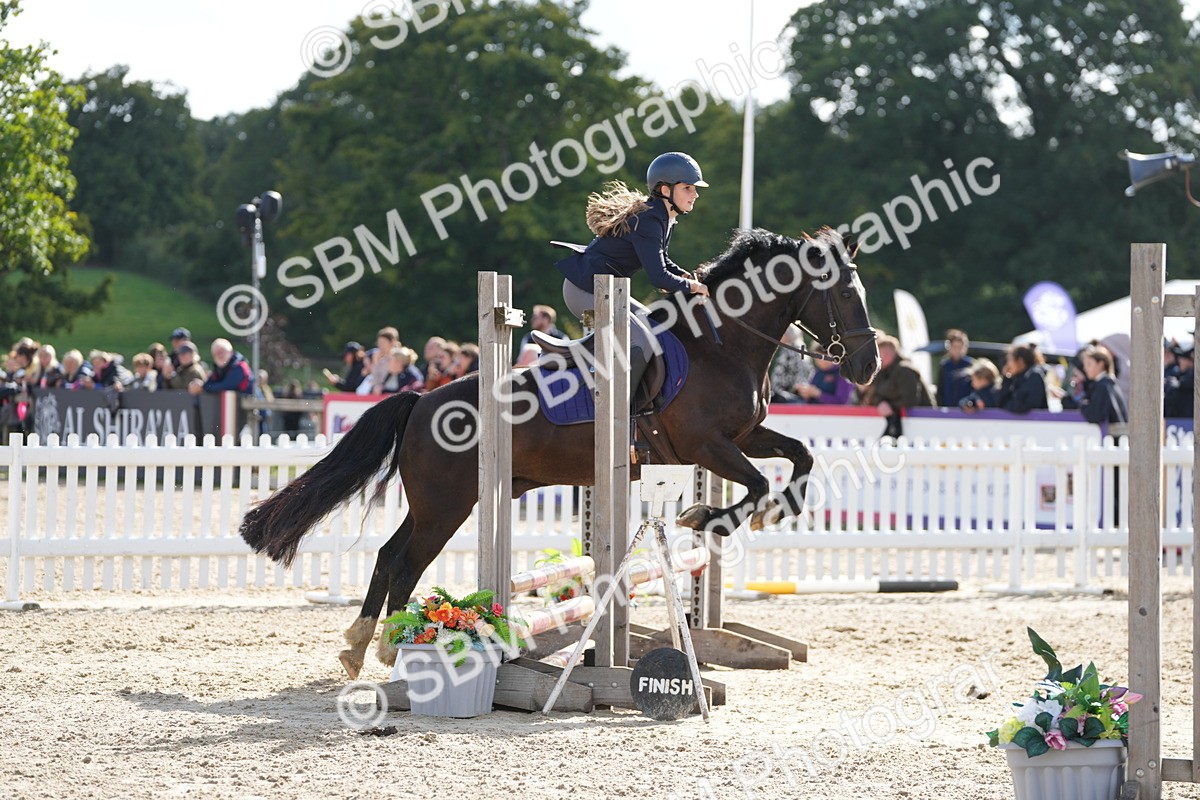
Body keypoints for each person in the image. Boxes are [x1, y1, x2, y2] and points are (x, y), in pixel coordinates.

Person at [551, 152, 711, 400]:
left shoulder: (660, 216)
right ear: (666, 190)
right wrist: (693, 286)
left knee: (655, 327)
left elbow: (662, 261)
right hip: (584, 290)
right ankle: (615, 405)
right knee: (642, 342)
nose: (695, 194)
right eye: (688, 187)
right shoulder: (650, 220)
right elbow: (659, 278)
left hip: (605, 290)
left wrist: (682, 274)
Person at [862, 335, 933, 437]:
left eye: (879, 353)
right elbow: (874, 394)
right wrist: (881, 403)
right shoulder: (883, 372)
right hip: (901, 422)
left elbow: (910, 400)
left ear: (888, 353)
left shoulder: (905, 370)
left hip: (921, 422)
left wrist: (890, 406)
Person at [1076, 346, 1128, 424]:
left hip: (1113, 434)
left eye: (1089, 364)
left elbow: (1095, 415)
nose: (1085, 368)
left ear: (1100, 364)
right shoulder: (1109, 384)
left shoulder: (1103, 386)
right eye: (1085, 365)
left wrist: (1082, 405)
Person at [996, 343, 1049, 413]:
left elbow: (1022, 406)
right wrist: (1007, 379)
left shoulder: (1034, 376)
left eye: (1009, 360)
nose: (1007, 365)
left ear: (1020, 361)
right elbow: (1000, 402)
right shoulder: (1018, 378)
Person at [769, 325, 816, 404]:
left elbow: (803, 370)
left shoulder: (794, 349)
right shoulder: (795, 347)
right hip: (787, 393)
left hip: (788, 394)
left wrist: (796, 389)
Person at [937, 329, 974, 407]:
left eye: (960, 347)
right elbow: (940, 390)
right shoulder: (944, 365)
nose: (957, 350)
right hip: (948, 409)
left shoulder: (971, 364)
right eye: (955, 347)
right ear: (949, 347)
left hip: (967, 410)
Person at [1165, 342, 1195, 419]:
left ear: (1191, 361)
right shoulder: (1182, 374)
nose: (1180, 360)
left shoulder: (1193, 375)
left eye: (1183, 358)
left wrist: (1178, 384)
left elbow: (1187, 382)